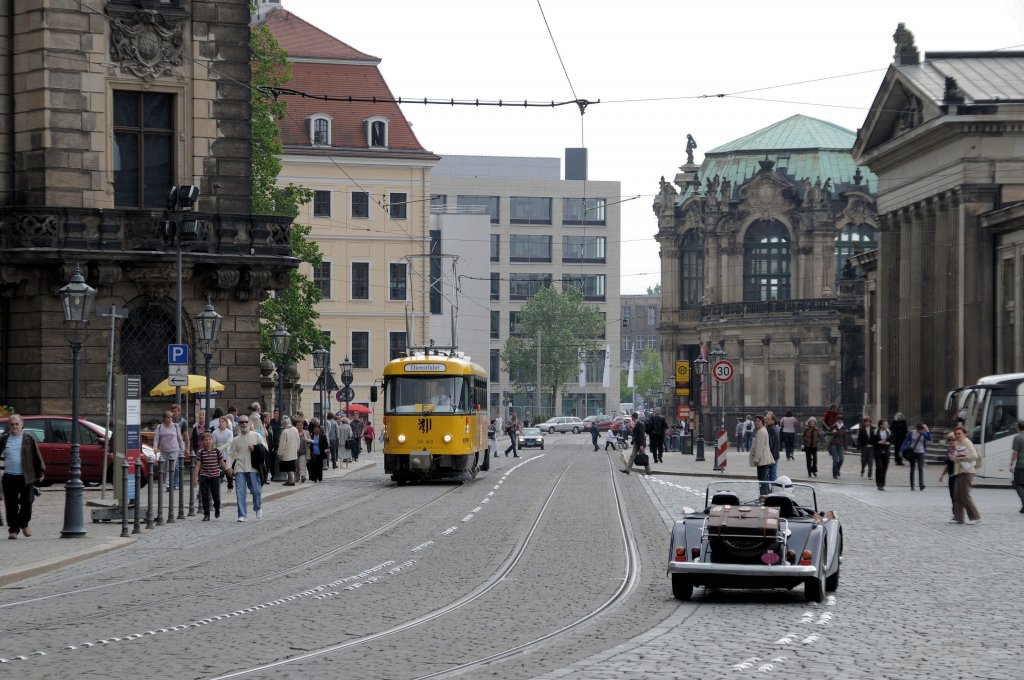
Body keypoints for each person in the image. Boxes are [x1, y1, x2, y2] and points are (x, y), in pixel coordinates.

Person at [1, 415, 45, 539]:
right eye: (12, 424)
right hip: (9, 477)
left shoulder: (28, 438)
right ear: (9, 426)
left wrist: (40, 472)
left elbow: (36, 456)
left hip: (26, 476)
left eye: (16, 424)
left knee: (27, 502)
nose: (14, 427)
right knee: (11, 505)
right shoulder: (4, 439)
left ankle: (24, 524)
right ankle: (13, 530)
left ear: (21, 424)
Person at [227, 414, 266, 521]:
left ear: (249, 423)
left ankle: (257, 507)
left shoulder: (256, 436)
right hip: (239, 468)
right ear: (239, 424)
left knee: (256, 490)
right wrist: (229, 467)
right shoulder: (236, 439)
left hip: (253, 468)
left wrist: (255, 448)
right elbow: (230, 454)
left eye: (246, 422)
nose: (244, 424)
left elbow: (265, 449)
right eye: (241, 422)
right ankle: (242, 514)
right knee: (240, 492)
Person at [949, 426, 982, 524]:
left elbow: (974, 456)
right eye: (956, 434)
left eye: (960, 433)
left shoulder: (967, 442)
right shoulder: (959, 443)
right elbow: (959, 456)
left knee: (965, 495)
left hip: (967, 471)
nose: (958, 435)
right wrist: (953, 457)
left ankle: (976, 518)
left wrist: (961, 459)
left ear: (964, 434)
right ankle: (958, 517)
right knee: (958, 495)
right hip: (961, 471)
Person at [193, 432, 227, 520]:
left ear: (212, 441)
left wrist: (228, 470)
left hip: (215, 476)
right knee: (204, 496)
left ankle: (217, 508)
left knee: (216, 495)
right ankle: (206, 514)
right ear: (203, 442)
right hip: (204, 476)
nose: (208, 441)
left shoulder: (217, 451)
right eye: (206, 440)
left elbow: (222, 462)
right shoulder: (200, 452)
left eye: (209, 439)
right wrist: (195, 478)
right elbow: (197, 465)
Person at [154, 411, 185, 491]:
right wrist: (155, 447)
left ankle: (169, 485)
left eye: (171, 417)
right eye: (168, 417)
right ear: (164, 418)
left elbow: (179, 438)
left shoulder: (175, 426)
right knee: (164, 468)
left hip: (174, 449)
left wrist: (183, 449)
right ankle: (166, 483)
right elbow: (156, 438)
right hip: (164, 450)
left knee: (170, 468)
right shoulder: (159, 427)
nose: (170, 418)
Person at [900, 422, 931, 490]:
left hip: (921, 452)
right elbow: (905, 441)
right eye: (918, 428)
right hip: (913, 452)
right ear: (916, 428)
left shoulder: (924, 433)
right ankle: (912, 485)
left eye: (921, 429)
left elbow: (930, 438)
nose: (919, 430)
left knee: (920, 468)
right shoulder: (912, 433)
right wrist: (901, 450)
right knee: (912, 468)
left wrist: (927, 430)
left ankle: (921, 484)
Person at [749, 415, 773, 495]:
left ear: (763, 422)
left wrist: (756, 459)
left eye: (759, 421)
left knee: (762, 478)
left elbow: (760, 447)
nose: (756, 422)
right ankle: (766, 494)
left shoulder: (762, 431)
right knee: (763, 478)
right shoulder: (761, 430)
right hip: (763, 459)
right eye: (756, 421)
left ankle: (764, 495)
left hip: (762, 459)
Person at [938, 432, 957, 515]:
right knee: (952, 496)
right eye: (949, 440)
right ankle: (955, 514)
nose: (951, 441)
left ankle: (957, 514)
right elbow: (947, 465)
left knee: (956, 496)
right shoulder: (949, 451)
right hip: (951, 476)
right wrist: (942, 475)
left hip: (958, 476)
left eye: (953, 440)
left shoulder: (959, 450)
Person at [276, 416, 298, 486]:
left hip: (286, 453)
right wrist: (297, 448)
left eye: (282, 423)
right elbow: (298, 440)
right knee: (291, 466)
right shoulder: (295, 429)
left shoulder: (284, 432)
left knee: (289, 468)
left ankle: (291, 480)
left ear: (284, 424)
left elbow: (282, 444)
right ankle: (289, 480)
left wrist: (279, 453)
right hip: (293, 451)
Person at [872, 419, 892, 490]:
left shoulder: (888, 431)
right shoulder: (875, 432)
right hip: (878, 452)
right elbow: (872, 441)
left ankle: (883, 483)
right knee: (879, 467)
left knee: (884, 468)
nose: (887, 425)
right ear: (881, 425)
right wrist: (878, 442)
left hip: (886, 453)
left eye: (887, 424)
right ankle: (879, 484)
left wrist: (888, 443)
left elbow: (891, 440)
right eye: (885, 424)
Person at [1011, 421, 1024, 514]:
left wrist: (1012, 464)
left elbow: (1015, 453)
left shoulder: (1017, 438)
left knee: (1018, 484)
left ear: (1018, 428)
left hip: (1020, 465)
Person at [765, 411, 781, 481]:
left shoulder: (771, 429)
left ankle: (773, 490)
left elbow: (770, 444)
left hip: (772, 455)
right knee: (772, 474)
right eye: (766, 419)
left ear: (773, 420)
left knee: (771, 476)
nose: (766, 420)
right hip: (775, 455)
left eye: (768, 419)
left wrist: (768, 457)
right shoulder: (774, 428)